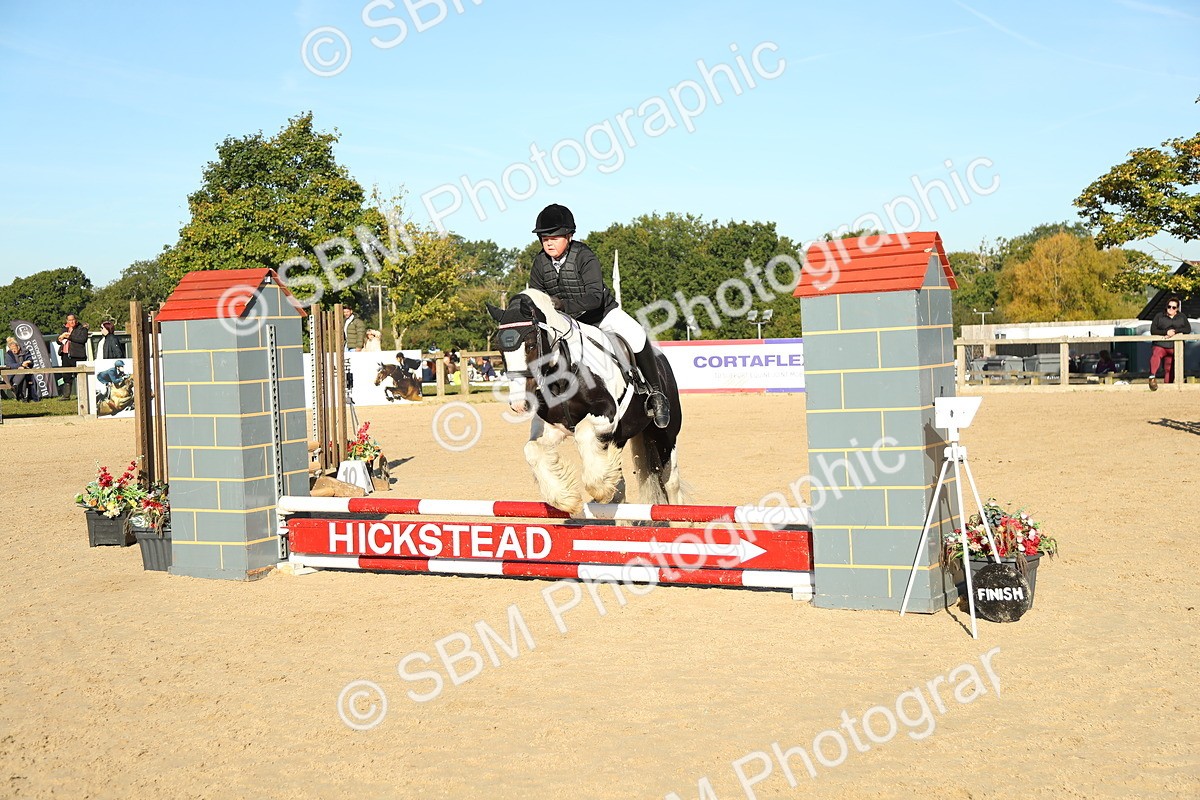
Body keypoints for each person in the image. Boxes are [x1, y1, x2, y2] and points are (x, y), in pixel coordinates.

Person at [528, 203, 670, 427]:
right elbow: (535, 298)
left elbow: (594, 297)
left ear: (569, 235)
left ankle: (656, 395)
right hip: (566, 324)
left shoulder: (585, 256)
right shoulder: (539, 263)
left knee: (637, 334)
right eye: (544, 237)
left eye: (554, 236)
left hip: (601, 315)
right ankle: (539, 393)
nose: (548, 241)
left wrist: (562, 304)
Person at [1148, 296, 1191, 390]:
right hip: (1161, 344)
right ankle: (1152, 377)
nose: (1171, 309)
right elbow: (1153, 330)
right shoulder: (1159, 316)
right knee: (1155, 355)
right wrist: (1166, 332)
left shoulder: (1182, 317)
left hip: (1174, 346)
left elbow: (1188, 329)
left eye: (1173, 307)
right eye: (1169, 306)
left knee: (1169, 367)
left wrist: (1175, 331)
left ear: (1177, 309)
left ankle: (1168, 387)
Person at [56, 313, 89, 399]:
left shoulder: (82, 328)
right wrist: (60, 338)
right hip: (65, 355)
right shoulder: (64, 329)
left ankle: (82, 395)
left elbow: (83, 339)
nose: (72, 322)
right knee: (66, 376)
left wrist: (69, 336)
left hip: (77, 355)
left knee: (79, 375)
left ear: (76, 320)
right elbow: (58, 340)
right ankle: (66, 395)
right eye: (69, 320)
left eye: (73, 320)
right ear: (67, 321)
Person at [4, 337, 34, 401]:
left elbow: (30, 360)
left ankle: (16, 388)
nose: (13, 351)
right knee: (23, 373)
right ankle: (23, 397)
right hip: (13, 375)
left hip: (25, 373)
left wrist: (27, 363)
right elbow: (10, 365)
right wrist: (20, 365)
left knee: (24, 375)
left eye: (14, 348)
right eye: (11, 349)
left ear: (18, 347)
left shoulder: (25, 352)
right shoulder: (9, 354)